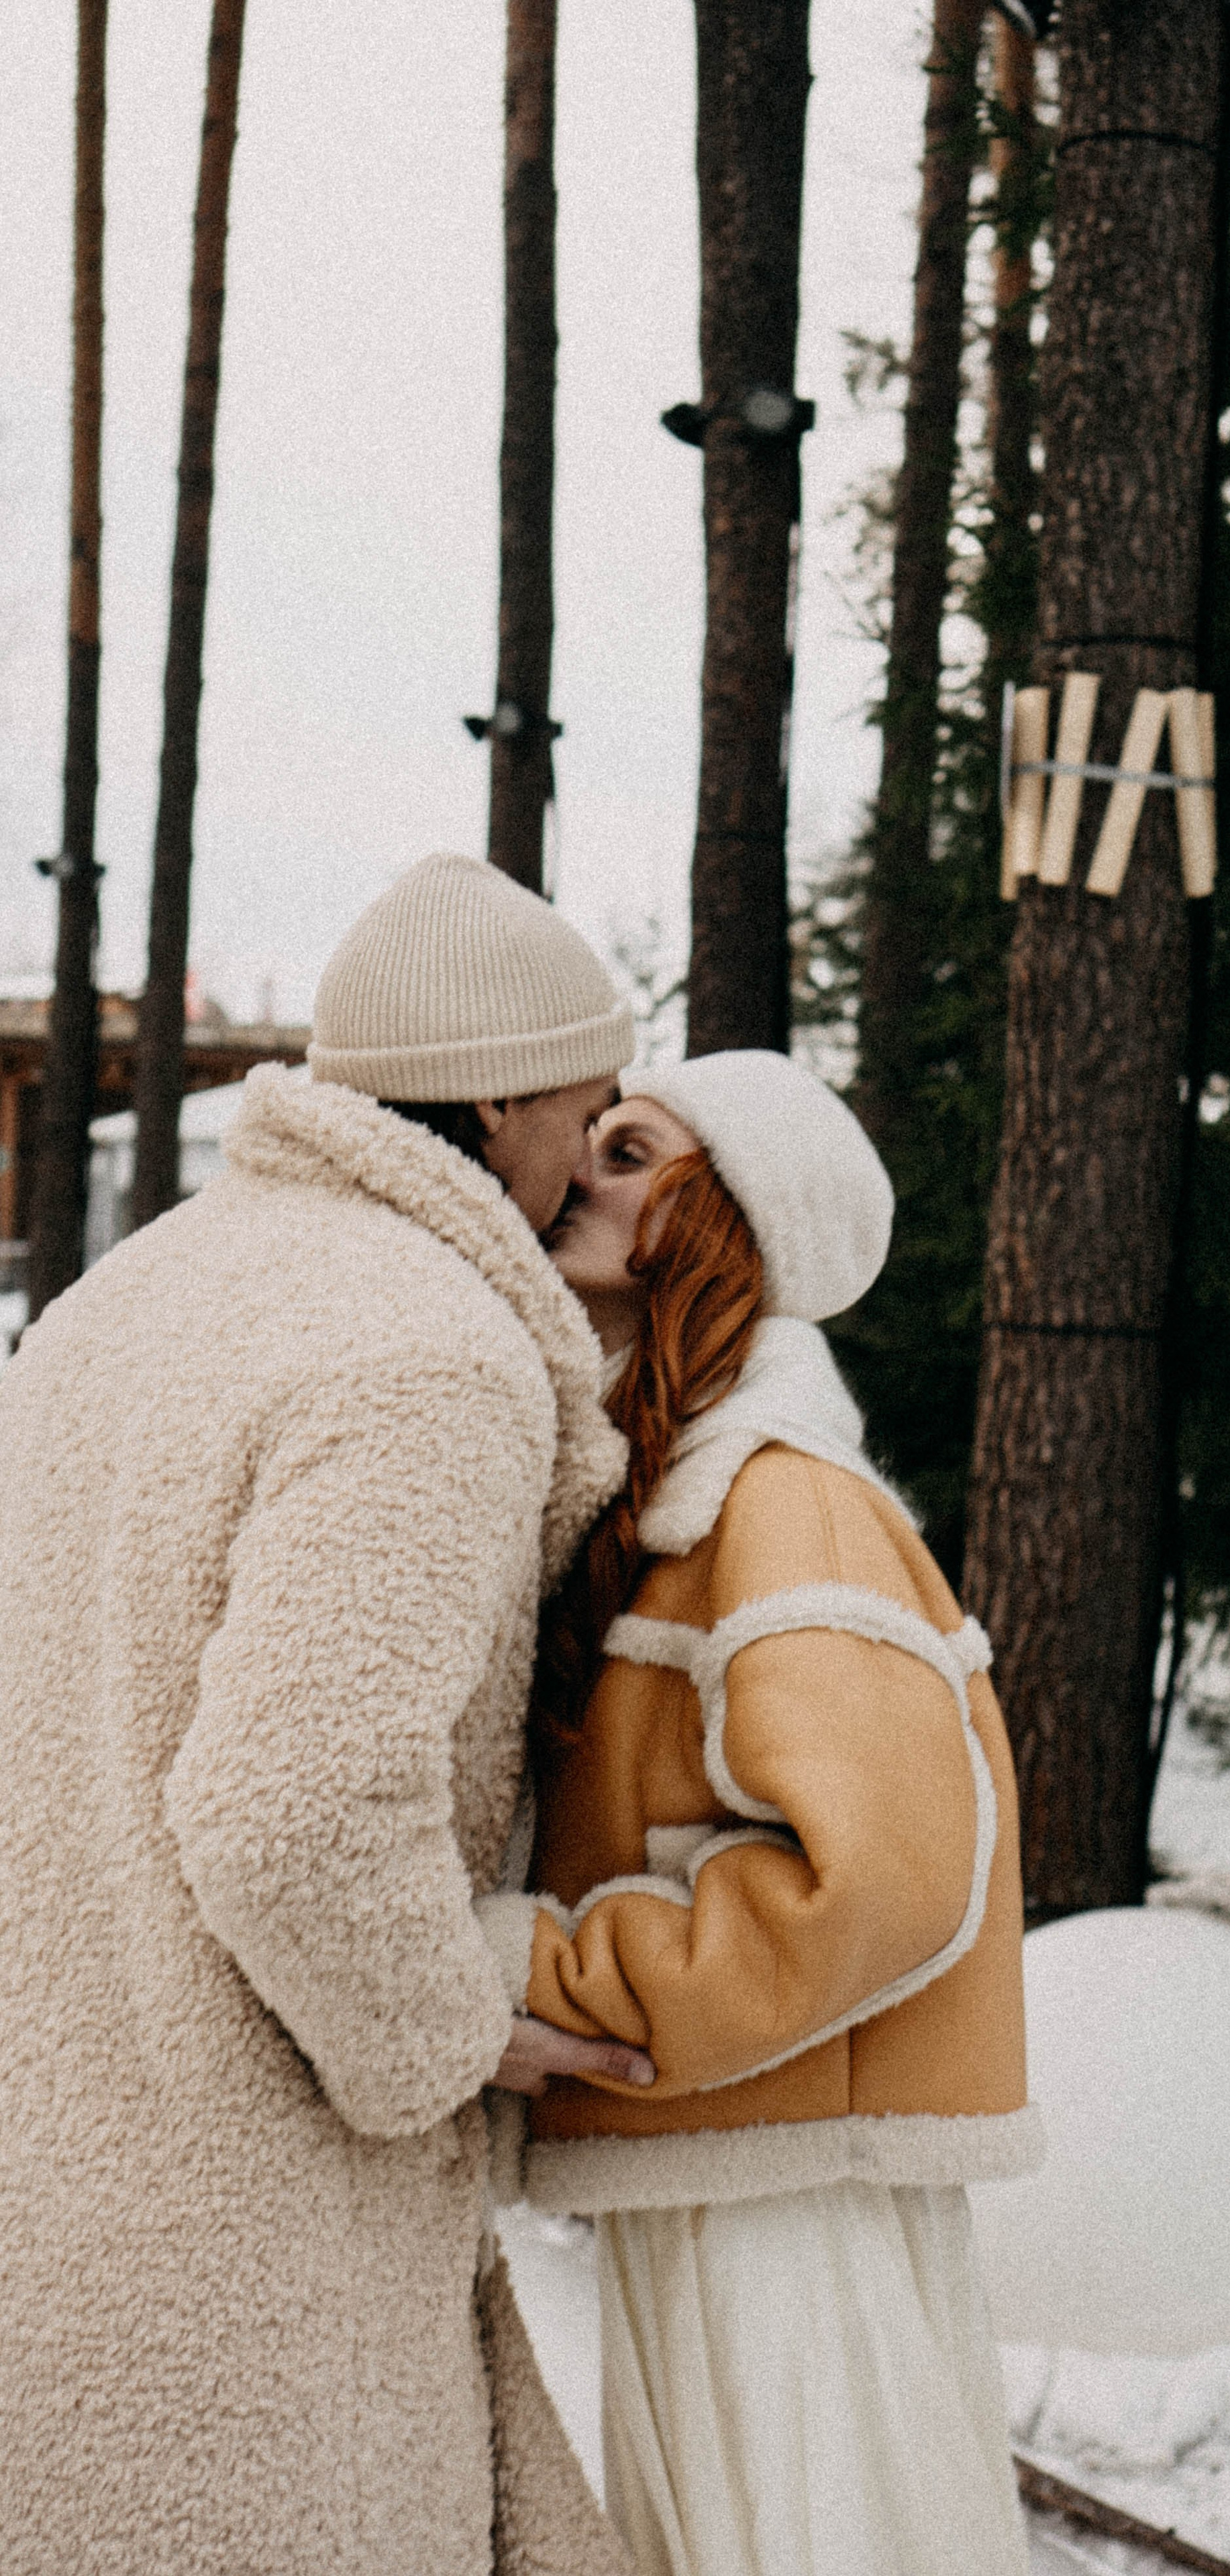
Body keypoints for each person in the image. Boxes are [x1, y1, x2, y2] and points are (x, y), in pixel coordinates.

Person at [0, 851, 650, 2576]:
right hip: (241, 2274)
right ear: (503, 1107)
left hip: (51, 2205)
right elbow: (293, 1813)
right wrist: (454, 2030)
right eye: (592, 1112)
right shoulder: (425, 1355)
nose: (595, 1157)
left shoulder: (117, 1306)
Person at [479, 1049, 1043, 2576]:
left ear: (731, 1217)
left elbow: (877, 1876)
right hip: (736, 2161)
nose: (573, 1174)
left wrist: (530, 1970)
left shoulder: (782, 1498)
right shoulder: (677, 1499)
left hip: (791, 2203)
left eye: (629, 1150)